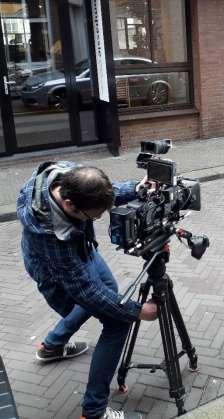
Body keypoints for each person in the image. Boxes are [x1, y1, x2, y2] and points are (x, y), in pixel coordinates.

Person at [16, 161, 158, 419]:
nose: (97, 219)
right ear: (69, 205)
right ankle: (94, 412)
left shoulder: (66, 176)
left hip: (79, 246)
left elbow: (103, 192)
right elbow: (86, 292)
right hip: (57, 269)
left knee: (110, 292)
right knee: (118, 320)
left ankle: (52, 346)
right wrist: (138, 311)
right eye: (93, 217)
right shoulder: (49, 233)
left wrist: (138, 188)